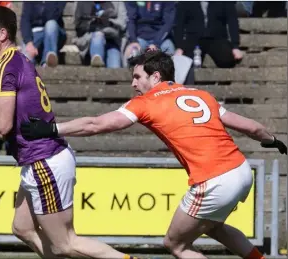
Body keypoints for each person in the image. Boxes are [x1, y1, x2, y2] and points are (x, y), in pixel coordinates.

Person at [20, 50, 287, 259]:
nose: (133, 83)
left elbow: (96, 124)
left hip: (213, 179)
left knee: (176, 244)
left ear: (156, 77)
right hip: (241, 170)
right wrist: (273, 140)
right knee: (214, 227)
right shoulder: (201, 94)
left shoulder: (147, 102)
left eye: (137, 77)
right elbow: (252, 127)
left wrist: (51, 128)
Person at [0, 5, 140, 259]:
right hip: (43, 157)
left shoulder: (4, 68)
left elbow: (2, 127)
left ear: (1, 35)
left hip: (44, 160)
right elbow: (12, 117)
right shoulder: (17, 59)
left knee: (65, 243)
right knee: (22, 228)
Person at [20, 1, 67, 67]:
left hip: (54, 32)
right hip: (35, 32)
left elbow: (53, 16)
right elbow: (25, 20)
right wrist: (29, 43)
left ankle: (47, 60)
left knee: (51, 24)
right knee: (26, 57)